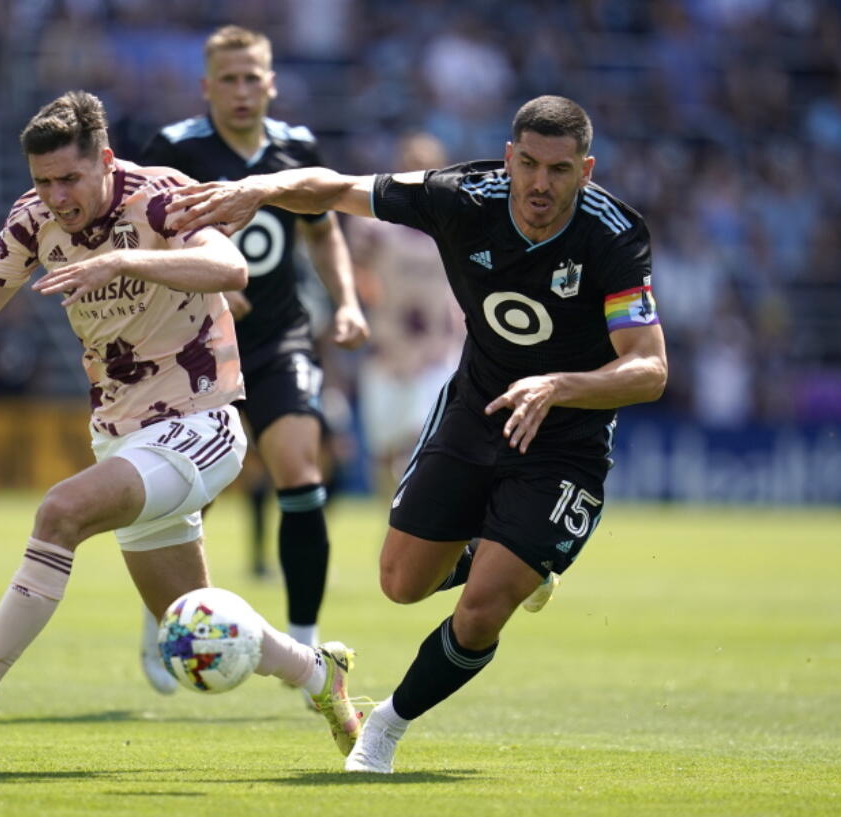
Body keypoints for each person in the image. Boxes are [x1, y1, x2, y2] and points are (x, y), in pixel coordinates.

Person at [166, 95, 668, 773]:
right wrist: (259, 187)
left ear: (586, 169)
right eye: (530, 165)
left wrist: (559, 386)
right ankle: (510, 555)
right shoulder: (461, 196)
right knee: (401, 582)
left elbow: (649, 367)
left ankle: (385, 726)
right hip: (476, 410)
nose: (541, 184)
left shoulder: (613, 236)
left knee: (484, 607)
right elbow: (337, 189)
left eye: (560, 169)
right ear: (511, 157)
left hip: (565, 443)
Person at [0, 90, 363, 757]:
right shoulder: (32, 220)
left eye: (69, 177)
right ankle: (318, 672)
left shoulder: (158, 196)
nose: (57, 196)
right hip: (123, 435)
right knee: (187, 621)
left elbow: (230, 266)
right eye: (43, 181)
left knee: (60, 511)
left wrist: (127, 258)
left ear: (104, 159)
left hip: (203, 420)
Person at [132, 27, 369, 685]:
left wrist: (346, 301)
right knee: (191, 494)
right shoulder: (175, 149)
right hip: (201, 345)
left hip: (280, 337)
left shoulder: (296, 149)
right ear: (207, 87)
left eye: (251, 78)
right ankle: (166, 623)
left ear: (271, 83)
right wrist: (206, 285)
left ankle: (305, 642)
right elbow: (148, 243)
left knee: (300, 471)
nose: (241, 91)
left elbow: (324, 236)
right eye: (227, 80)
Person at [348, 132, 465, 492]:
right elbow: (350, 271)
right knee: (384, 455)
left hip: (436, 353)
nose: (420, 172)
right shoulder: (374, 226)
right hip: (385, 351)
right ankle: (397, 533)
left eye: (427, 165)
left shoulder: (456, 224)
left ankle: (423, 533)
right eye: (412, 164)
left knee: (421, 447)